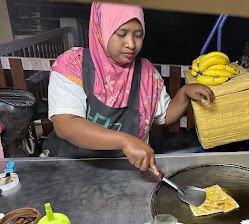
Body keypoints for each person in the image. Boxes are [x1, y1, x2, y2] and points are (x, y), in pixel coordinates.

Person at [46, 1, 214, 176]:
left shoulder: (146, 73)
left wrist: (184, 93)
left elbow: (165, 115)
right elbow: (66, 124)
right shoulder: (73, 65)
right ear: (102, 30)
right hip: (77, 173)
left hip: (128, 174)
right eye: (121, 34)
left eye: (138, 35)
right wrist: (124, 141)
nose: (131, 44)